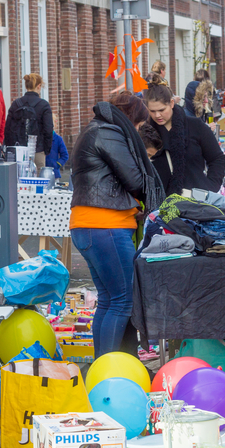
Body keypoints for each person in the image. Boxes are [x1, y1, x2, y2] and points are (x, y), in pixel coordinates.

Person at [68, 91, 164, 356]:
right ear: (130, 117)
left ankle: (103, 368)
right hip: (105, 225)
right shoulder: (108, 132)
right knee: (122, 301)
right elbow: (134, 179)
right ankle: (109, 372)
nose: (137, 131)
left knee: (110, 301)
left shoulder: (98, 128)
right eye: (138, 125)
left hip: (91, 225)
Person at [144, 83, 225, 196]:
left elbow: (217, 158)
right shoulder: (146, 134)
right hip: (162, 204)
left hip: (196, 201)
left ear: (172, 103)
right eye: (152, 111)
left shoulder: (195, 126)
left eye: (162, 110)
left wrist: (210, 187)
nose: (157, 115)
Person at [5, 73, 53, 170]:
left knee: (18, 180)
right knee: (38, 180)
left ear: (26, 86)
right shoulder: (44, 105)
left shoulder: (16, 104)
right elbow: (48, 130)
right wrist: (46, 150)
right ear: (39, 86)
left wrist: (9, 147)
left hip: (18, 150)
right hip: (37, 149)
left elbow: (7, 128)